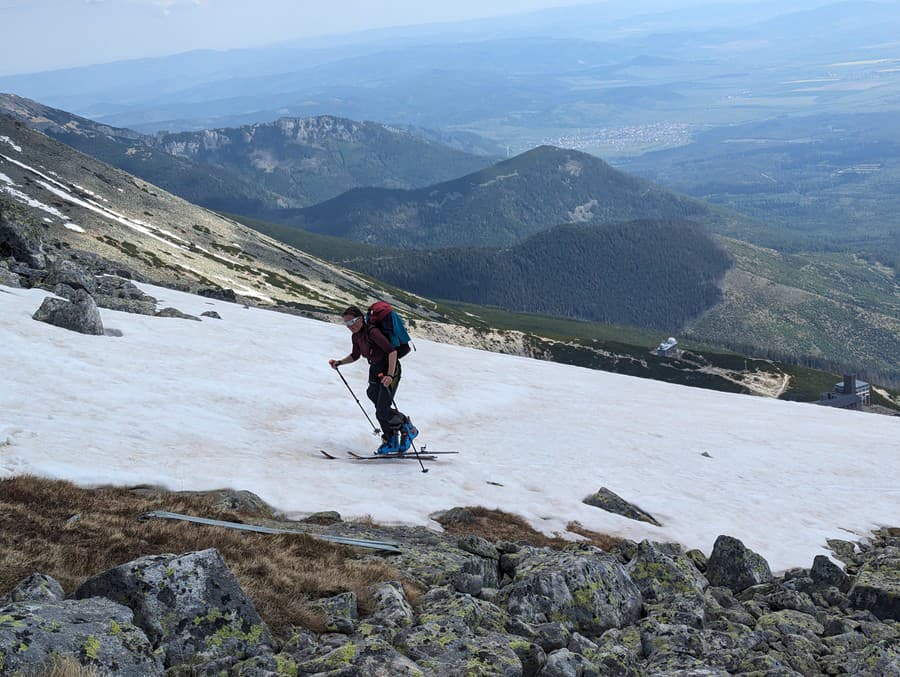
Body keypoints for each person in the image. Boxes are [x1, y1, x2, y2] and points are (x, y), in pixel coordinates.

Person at [329, 306, 418, 454]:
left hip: (390, 369)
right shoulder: (356, 336)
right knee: (373, 396)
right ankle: (394, 438)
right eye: (346, 323)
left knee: (382, 410)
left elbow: (392, 352)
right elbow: (355, 355)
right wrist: (339, 362)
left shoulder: (373, 332)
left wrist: (389, 375)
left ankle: (406, 429)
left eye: (352, 321)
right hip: (375, 369)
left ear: (361, 319)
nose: (350, 326)